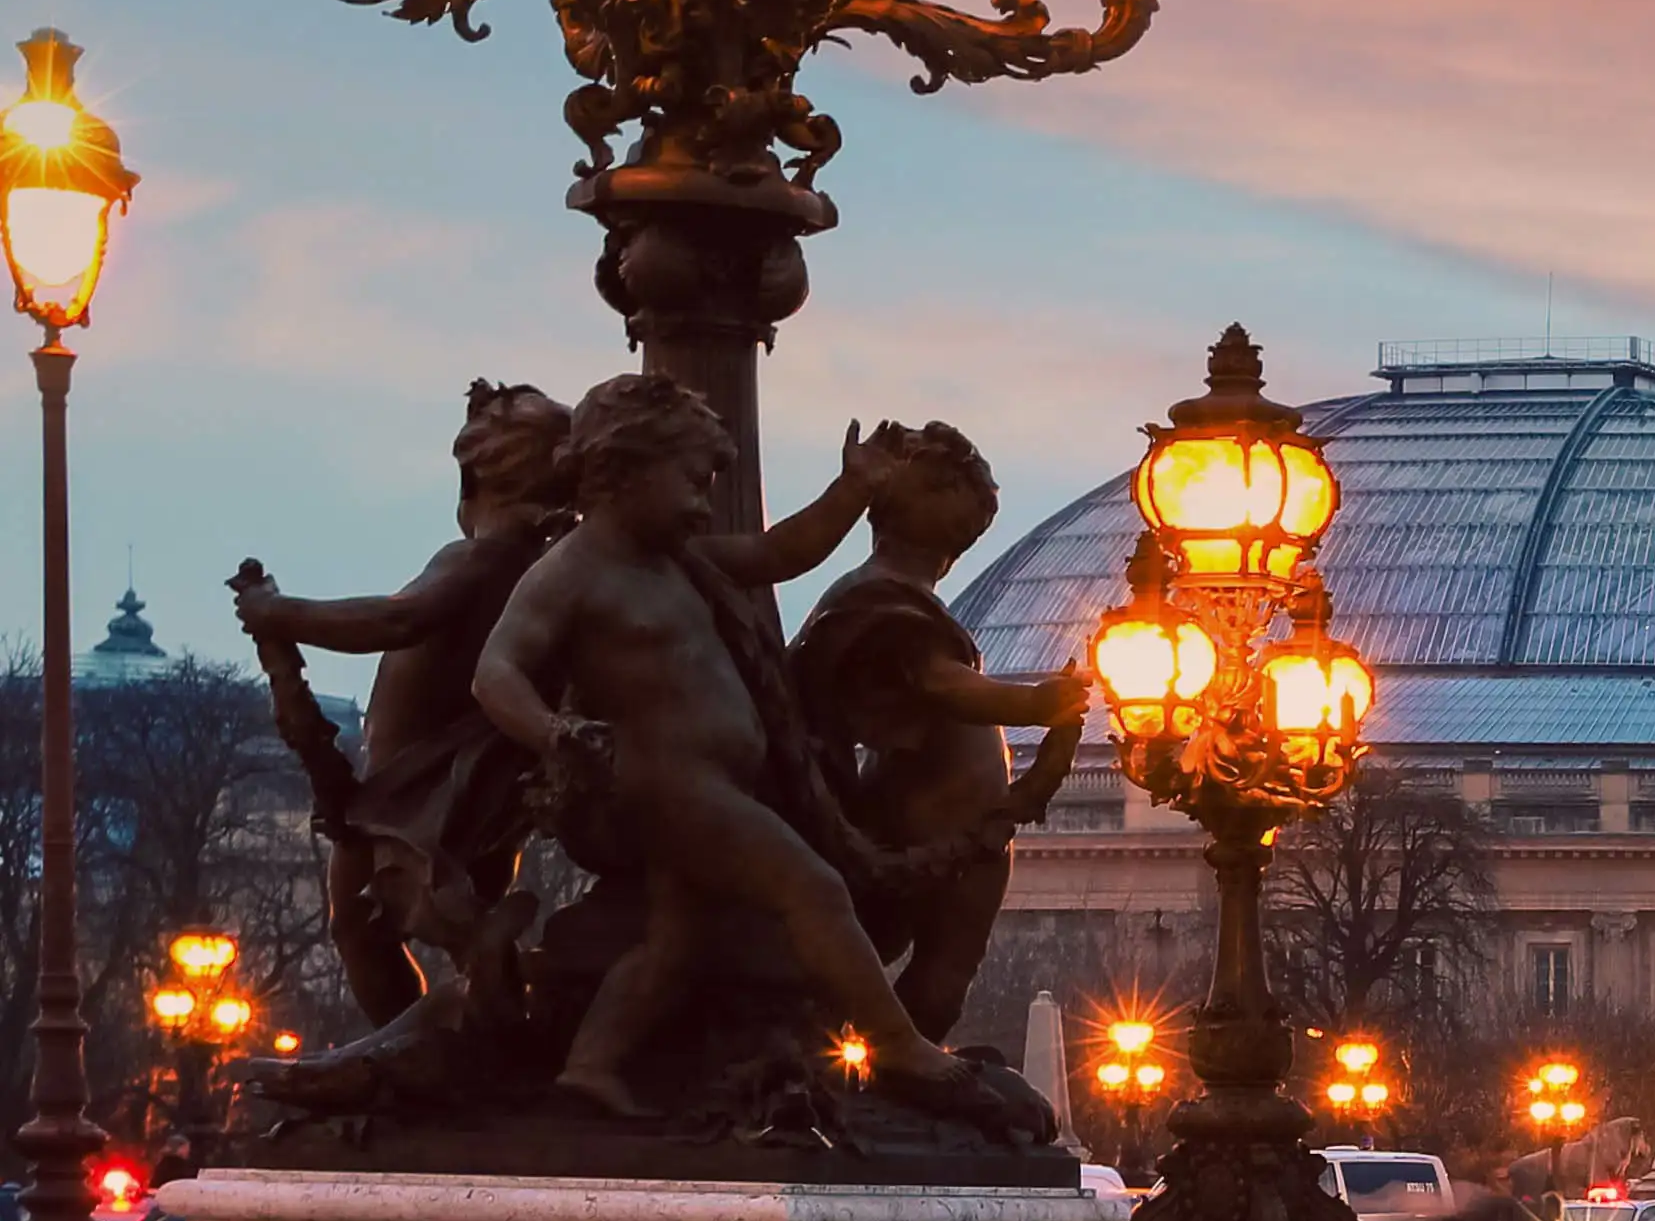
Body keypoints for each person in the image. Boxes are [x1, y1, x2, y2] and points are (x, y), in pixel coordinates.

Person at [470, 375, 1047, 1142]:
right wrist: (552, 731)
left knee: (674, 943)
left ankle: (591, 1065)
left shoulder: (675, 557)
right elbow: (495, 671)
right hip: (674, 785)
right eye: (694, 481)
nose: (706, 503)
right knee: (811, 887)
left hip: (706, 785)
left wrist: (851, 488)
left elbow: (783, 550)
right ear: (624, 467)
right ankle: (898, 1043)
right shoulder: (576, 571)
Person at [234, 382, 574, 1051]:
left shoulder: (481, 558)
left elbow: (395, 619)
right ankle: (452, 1039)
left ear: (476, 475)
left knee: (369, 925)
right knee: (417, 922)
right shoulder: (527, 563)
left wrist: (281, 614)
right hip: (445, 778)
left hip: (418, 787)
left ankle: (420, 1049)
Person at [777, 422, 1082, 1044]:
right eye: (955, 492)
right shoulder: (877, 596)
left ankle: (903, 1067)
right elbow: (941, 685)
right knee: (935, 973)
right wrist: (1036, 703)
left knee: (944, 972)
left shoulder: (898, 594)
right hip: (931, 827)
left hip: (956, 826)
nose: (972, 516)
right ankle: (900, 1069)